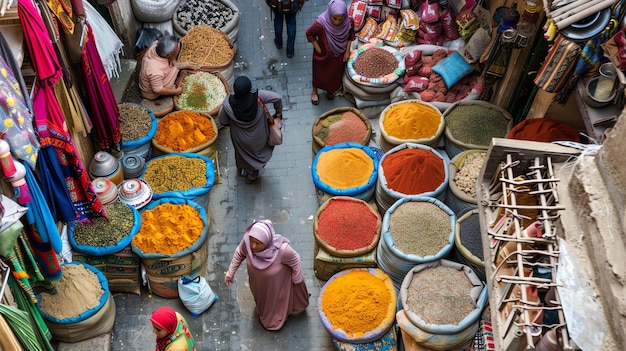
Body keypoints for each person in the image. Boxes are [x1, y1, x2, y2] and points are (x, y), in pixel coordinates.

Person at [224, 220, 309, 331]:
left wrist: (296, 279)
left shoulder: (282, 250)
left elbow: (296, 260)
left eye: (258, 243)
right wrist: (230, 273)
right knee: (263, 302)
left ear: (267, 241)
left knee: (274, 305)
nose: (253, 246)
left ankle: (274, 321)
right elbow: (239, 253)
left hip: (276, 287)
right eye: (251, 241)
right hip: (257, 285)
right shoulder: (247, 243)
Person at [216, 76, 282, 183]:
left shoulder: (228, 104)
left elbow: (222, 120)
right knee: (258, 153)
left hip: (240, 139)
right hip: (260, 135)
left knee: (242, 154)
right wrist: (278, 112)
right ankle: (253, 173)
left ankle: (243, 168)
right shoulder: (258, 96)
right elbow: (277, 97)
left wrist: (232, 124)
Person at [305, 0, 355, 105]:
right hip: (322, 55)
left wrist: (347, 52)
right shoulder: (321, 23)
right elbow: (309, 33)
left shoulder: (349, 22)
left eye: (341, 19)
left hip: (339, 55)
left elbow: (350, 36)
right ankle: (314, 91)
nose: (337, 22)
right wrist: (317, 48)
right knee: (319, 74)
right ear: (330, 14)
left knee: (333, 75)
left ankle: (330, 90)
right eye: (335, 18)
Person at [139, 35, 198, 100]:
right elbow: (158, 90)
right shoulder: (155, 70)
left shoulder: (156, 44)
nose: (178, 51)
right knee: (177, 69)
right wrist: (177, 92)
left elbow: (172, 57)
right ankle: (173, 86)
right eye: (176, 52)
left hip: (161, 67)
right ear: (168, 55)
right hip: (151, 94)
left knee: (176, 66)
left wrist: (175, 61)